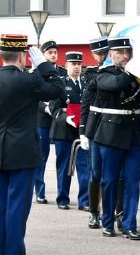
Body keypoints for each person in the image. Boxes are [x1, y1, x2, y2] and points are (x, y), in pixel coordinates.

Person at [0, 34, 64, 254]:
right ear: (22, 56)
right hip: (22, 153)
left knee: (1, 208)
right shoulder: (30, 80)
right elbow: (58, 89)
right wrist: (44, 64)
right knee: (17, 208)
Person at [92, 36, 140, 240]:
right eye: (121, 52)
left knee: (133, 180)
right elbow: (115, 85)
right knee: (110, 180)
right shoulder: (104, 73)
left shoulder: (137, 74)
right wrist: (133, 69)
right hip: (111, 134)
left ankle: (130, 224)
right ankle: (107, 222)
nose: (125, 56)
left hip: (134, 134)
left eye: (128, 52)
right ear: (111, 54)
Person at [49, 51, 90, 210]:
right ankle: (62, 198)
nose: (77, 67)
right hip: (64, 131)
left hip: (81, 132)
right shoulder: (59, 83)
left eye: (79, 64)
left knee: (84, 167)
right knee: (64, 167)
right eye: (73, 64)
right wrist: (66, 117)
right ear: (66, 65)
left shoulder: (86, 83)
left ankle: (85, 201)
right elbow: (54, 108)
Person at [79, 37, 109, 228]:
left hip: (115, 128)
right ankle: (94, 211)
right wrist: (83, 130)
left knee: (115, 174)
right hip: (96, 128)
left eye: (104, 53)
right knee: (96, 172)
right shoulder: (91, 74)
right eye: (98, 54)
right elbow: (86, 103)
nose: (102, 57)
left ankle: (115, 211)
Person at [35, 40, 67, 204]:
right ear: (43, 55)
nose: (53, 55)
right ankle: (40, 191)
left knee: (62, 158)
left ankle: (62, 194)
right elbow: (34, 97)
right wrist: (46, 108)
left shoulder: (62, 72)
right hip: (43, 121)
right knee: (42, 157)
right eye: (50, 52)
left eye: (55, 52)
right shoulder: (37, 73)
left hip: (60, 121)